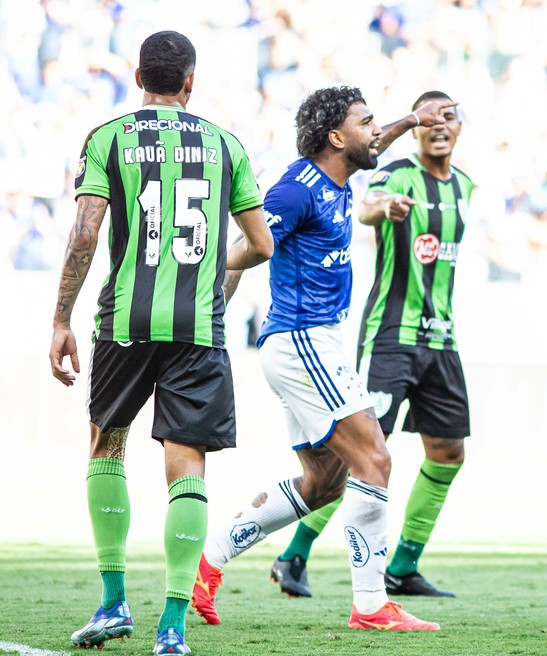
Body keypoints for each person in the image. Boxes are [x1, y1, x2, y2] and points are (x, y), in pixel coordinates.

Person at [189, 86, 456, 632]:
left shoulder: (339, 174)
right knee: (375, 460)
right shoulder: (296, 190)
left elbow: (375, 143)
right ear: (336, 137)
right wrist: (210, 311)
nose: (376, 131)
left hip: (313, 342)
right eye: (366, 123)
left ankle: (209, 563)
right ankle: (371, 604)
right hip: (301, 339)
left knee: (324, 483)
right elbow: (245, 247)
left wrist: (412, 118)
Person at [48, 30, 273, 655]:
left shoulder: (108, 138)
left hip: (126, 320)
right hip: (197, 327)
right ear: (190, 81)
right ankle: (172, 626)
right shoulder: (226, 145)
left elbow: (85, 235)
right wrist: (211, 275)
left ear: (138, 77)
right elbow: (260, 245)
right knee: (187, 466)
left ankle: (113, 603)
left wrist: (61, 319)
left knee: (107, 445)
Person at [269, 91, 472, 600]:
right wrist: (385, 208)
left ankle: (404, 565)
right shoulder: (395, 174)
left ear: (460, 127)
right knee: (360, 453)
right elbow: (366, 205)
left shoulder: (465, 187)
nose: (440, 126)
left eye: (450, 117)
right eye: (431, 118)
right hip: (390, 337)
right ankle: (295, 553)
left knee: (448, 452)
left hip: (442, 338)